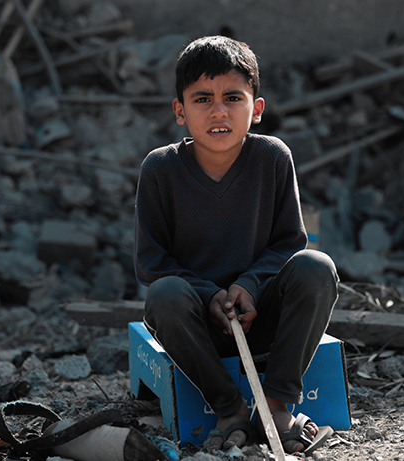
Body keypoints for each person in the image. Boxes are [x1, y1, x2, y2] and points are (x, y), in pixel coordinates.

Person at [134, 35, 339, 455]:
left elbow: (289, 243)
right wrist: (209, 294)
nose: (219, 111)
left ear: (256, 109)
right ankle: (228, 411)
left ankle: (278, 405)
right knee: (164, 294)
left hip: (262, 317)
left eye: (232, 97)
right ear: (179, 110)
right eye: (202, 99)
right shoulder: (160, 170)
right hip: (197, 330)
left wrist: (250, 284)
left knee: (316, 267)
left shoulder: (273, 159)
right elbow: (152, 262)